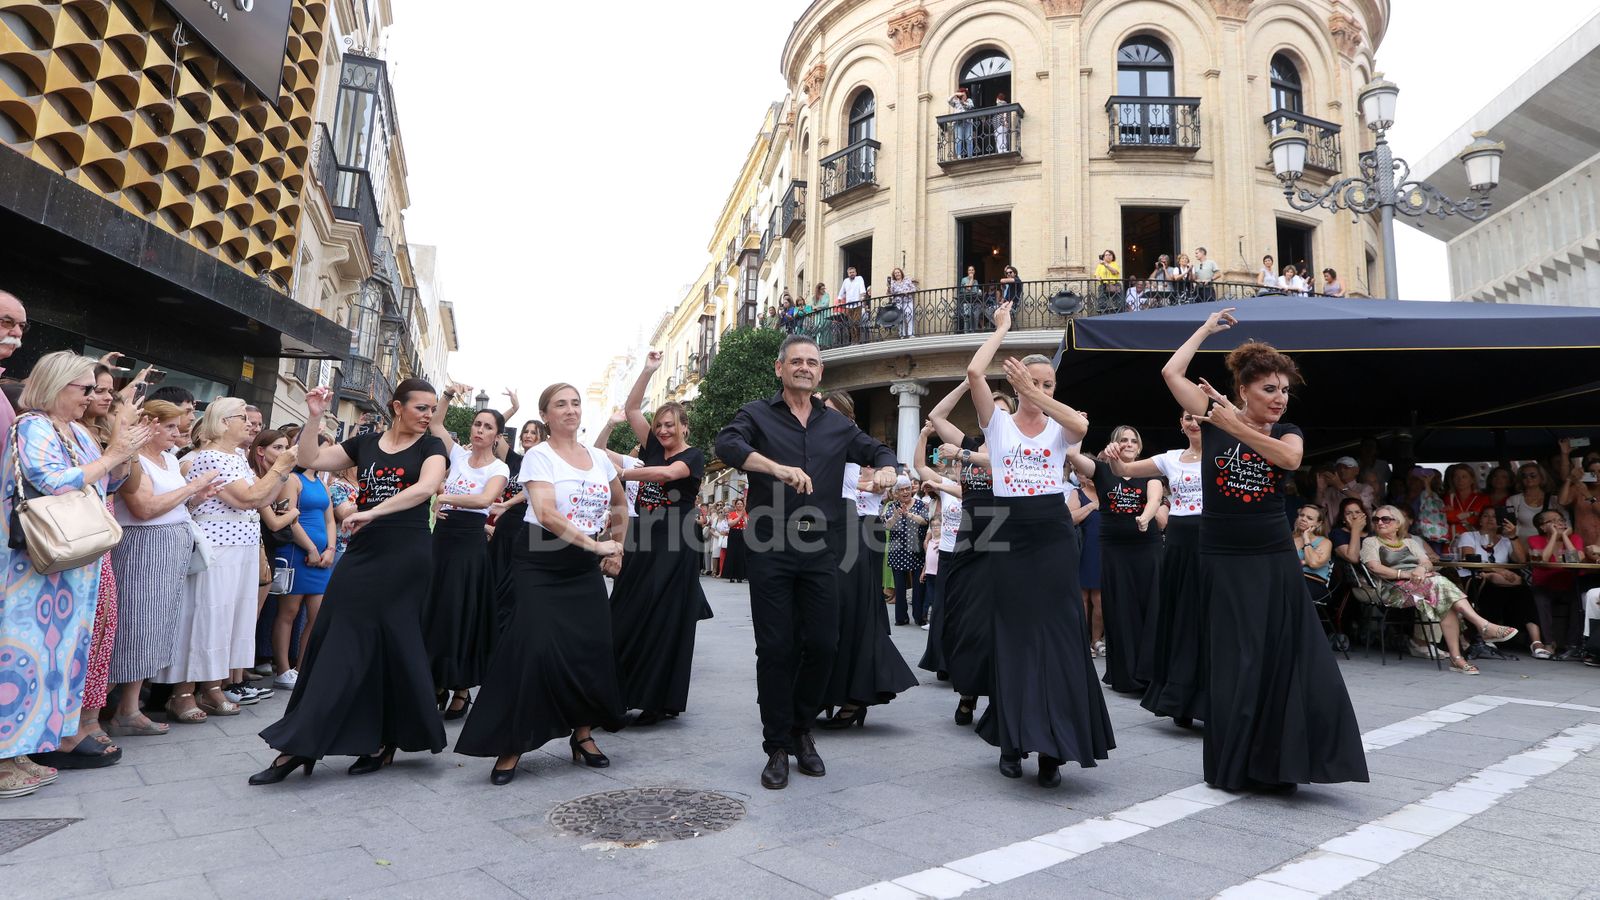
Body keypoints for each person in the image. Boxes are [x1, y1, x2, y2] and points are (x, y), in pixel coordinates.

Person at [1162, 307, 1367, 791]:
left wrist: (1233, 425)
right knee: (1236, 659)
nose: (1280, 398)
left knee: (1282, 657)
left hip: (1271, 557)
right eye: (1269, 389)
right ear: (1244, 390)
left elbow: (1289, 460)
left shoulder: (1284, 431)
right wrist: (1206, 329)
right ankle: (1238, 763)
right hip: (1221, 557)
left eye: (1284, 390)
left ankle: (1283, 761)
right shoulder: (1213, 417)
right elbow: (1171, 372)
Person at [714, 333, 899, 790]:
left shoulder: (835, 425)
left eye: (812, 362)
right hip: (770, 547)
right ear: (780, 369)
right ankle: (778, 744)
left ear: (820, 372)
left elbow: (873, 450)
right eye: (795, 361)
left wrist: (889, 466)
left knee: (823, 644)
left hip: (821, 549)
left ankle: (800, 728)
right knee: (776, 648)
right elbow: (728, 445)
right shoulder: (757, 414)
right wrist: (775, 467)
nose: (804, 367)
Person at [250, 382, 449, 785]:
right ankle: (302, 743)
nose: (428, 415)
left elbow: (426, 488)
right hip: (364, 552)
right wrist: (313, 417)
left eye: (432, 409)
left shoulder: (431, 448)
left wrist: (374, 512)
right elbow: (311, 458)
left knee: (390, 640)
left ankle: (380, 739)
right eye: (420, 407)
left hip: (405, 552)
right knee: (337, 635)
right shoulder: (367, 443)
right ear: (397, 406)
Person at [968, 303, 1112, 787]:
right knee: (1013, 634)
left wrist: (1038, 394)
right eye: (1034, 383)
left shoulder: (1060, 425)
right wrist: (1003, 329)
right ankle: (1012, 738)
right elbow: (972, 370)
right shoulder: (998, 423)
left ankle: (1055, 741)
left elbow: (1083, 429)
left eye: (1050, 384)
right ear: (1014, 385)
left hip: (1052, 528)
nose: (1043, 390)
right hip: (1009, 529)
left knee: (1056, 632)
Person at [456, 383, 628, 785]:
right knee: (530, 647)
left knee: (591, 646)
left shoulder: (599, 458)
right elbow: (547, 514)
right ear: (546, 415)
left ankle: (582, 734)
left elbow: (620, 503)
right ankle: (512, 742)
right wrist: (597, 546)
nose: (570, 410)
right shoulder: (538, 455)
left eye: (575, 403)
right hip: (542, 558)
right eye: (560, 405)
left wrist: (616, 546)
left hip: (584, 563)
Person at [1, 354, 149, 796]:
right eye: (85, 388)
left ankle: (25, 749)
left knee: (58, 660)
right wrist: (114, 455)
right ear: (56, 385)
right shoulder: (32, 426)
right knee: (22, 657)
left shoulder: (78, 431)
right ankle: (5, 756)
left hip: (72, 568)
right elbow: (52, 480)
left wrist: (122, 455)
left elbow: (99, 485)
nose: (93, 396)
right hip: (35, 568)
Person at [158, 402, 295, 725]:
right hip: (217, 548)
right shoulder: (209, 456)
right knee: (206, 615)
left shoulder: (235, 457)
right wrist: (279, 469)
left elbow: (264, 498)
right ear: (222, 422)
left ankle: (213, 685)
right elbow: (246, 498)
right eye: (243, 419)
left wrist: (282, 469)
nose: (250, 425)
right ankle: (182, 693)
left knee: (229, 619)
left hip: (242, 546)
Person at [607, 351, 710, 726]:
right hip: (643, 536)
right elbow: (633, 407)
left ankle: (656, 698)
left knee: (665, 619)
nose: (664, 431)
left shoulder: (694, 456)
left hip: (677, 540)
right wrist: (648, 370)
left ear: (684, 426)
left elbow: (669, 476)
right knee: (625, 610)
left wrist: (623, 473)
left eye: (671, 425)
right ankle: (615, 691)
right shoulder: (651, 446)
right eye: (660, 425)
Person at [108, 401, 219, 738]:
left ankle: (129, 708)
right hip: (143, 548)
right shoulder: (134, 459)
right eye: (171, 427)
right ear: (150, 425)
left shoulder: (169, 459)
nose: (179, 433)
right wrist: (192, 488)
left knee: (157, 627)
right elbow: (143, 509)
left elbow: (172, 503)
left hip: (170, 548)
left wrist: (194, 498)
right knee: (133, 625)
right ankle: (91, 713)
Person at [816, 391, 917, 729]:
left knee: (851, 612)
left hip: (857, 532)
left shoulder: (856, 447)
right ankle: (827, 693)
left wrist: (880, 478)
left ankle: (851, 698)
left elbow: (891, 473)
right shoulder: (817, 445)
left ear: (847, 419)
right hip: (823, 531)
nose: (822, 417)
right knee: (826, 613)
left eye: (829, 412)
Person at [1105, 411, 1206, 726]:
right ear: (1180, 424)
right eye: (1187, 417)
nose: (1193, 422)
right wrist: (1112, 457)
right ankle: (1179, 699)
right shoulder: (1171, 458)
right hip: (1178, 543)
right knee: (1179, 620)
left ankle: (1208, 699)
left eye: (1199, 417)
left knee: (1207, 620)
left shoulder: (1223, 454)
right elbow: (1123, 469)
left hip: (1212, 542)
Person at [423, 388, 509, 720]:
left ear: (497, 435)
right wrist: (445, 395)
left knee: (461, 613)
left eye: (488, 427)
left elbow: (486, 500)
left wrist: (445, 499)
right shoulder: (457, 455)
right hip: (441, 541)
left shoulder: (499, 467)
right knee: (436, 611)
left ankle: (461, 687)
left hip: (468, 545)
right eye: (477, 424)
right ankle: (437, 681)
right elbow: (437, 423)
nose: (479, 430)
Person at [927, 381, 1007, 727]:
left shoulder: (1013, 449)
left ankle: (998, 693)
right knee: (965, 617)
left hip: (1002, 536)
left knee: (995, 621)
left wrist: (961, 456)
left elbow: (993, 463)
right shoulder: (971, 442)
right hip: (967, 538)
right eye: (989, 407)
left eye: (1002, 410)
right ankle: (967, 692)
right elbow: (936, 415)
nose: (994, 414)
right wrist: (967, 383)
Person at [1362, 504, 1517, 674]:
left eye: (1385, 519)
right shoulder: (1371, 542)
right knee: (1439, 582)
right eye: (1376, 519)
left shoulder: (1409, 542)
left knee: (1446, 602)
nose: (1380, 522)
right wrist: (1407, 574)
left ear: (1398, 523)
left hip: (1420, 584)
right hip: (1392, 591)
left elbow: (1426, 562)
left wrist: (1421, 569)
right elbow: (1375, 568)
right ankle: (1483, 627)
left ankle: (1458, 658)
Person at [1069, 427, 1163, 695]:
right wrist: (1076, 429)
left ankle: (1149, 673)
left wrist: (1145, 517)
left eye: (1134, 440)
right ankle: (1126, 675)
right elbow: (1073, 455)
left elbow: (1155, 498)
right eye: (1124, 440)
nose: (1129, 444)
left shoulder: (1149, 471)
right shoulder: (1101, 469)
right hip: (1114, 550)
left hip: (1147, 548)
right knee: (1120, 609)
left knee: (1150, 608)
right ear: (1113, 444)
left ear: (1140, 446)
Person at [1456, 507, 1545, 658]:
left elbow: (1521, 561)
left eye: (1494, 516)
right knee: (1491, 588)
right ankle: (1486, 634)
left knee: (1524, 592)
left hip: (1502, 581)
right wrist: (1500, 571)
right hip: (1474, 577)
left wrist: (1513, 537)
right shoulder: (1469, 535)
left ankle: (1536, 642)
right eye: (1485, 515)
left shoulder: (1505, 540)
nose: (1490, 519)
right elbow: (1469, 559)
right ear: (1480, 520)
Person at [1525, 509, 1587, 660]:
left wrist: (1565, 537)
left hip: (1569, 584)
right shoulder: (1534, 539)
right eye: (1552, 521)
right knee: (1540, 599)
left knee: (1578, 600)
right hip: (1545, 585)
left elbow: (1575, 560)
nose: (1558, 523)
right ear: (1542, 527)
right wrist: (1553, 536)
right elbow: (1544, 559)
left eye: (1560, 520)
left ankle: (1572, 645)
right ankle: (1548, 643)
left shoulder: (1575, 538)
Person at [885, 477, 930, 626]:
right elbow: (888, 526)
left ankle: (918, 616)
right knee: (900, 586)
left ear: (911, 489)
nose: (905, 492)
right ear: (896, 493)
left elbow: (924, 521)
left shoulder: (921, 505)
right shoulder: (892, 506)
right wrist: (896, 516)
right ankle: (901, 617)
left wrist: (909, 514)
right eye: (901, 490)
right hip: (898, 551)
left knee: (918, 586)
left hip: (917, 551)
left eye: (907, 488)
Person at [1071, 476, 1105, 659]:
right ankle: (1082, 640)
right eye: (1087, 473)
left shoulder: (1108, 490)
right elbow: (1070, 517)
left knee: (1100, 599)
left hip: (1105, 549)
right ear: (1079, 476)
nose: (1092, 477)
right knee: (1082, 598)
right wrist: (1091, 506)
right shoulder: (1076, 493)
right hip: (1084, 549)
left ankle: (1097, 639)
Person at [723, 497, 749, 582]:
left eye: (741, 504)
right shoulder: (732, 514)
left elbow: (748, 525)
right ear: (735, 505)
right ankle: (731, 575)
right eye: (738, 504)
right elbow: (730, 524)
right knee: (732, 553)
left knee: (741, 554)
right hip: (733, 534)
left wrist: (744, 516)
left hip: (742, 534)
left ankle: (740, 576)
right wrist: (739, 517)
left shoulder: (745, 514)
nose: (739, 505)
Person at [887, 267, 918, 338]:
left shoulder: (907, 280)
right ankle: (902, 334)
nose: (897, 274)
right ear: (894, 275)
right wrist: (888, 287)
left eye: (898, 272)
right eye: (895, 273)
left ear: (901, 273)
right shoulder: (893, 283)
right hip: (898, 303)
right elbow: (889, 294)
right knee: (900, 318)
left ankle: (910, 333)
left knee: (909, 316)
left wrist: (908, 292)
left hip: (908, 301)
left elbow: (914, 289)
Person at [947, 87, 974, 158]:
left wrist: (963, 102)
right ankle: (959, 155)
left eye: (964, 94)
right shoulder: (956, 102)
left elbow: (971, 106)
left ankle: (970, 155)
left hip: (967, 122)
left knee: (969, 139)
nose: (963, 96)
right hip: (958, 122)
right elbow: (948, 100)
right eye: (962, 95)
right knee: (958, 139)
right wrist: (955, 94)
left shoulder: (969, 100)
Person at [958, 264, 982, 333]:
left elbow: (976, 291)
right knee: (967, 316)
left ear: (974, 271)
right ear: (967, 272)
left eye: (972, 270)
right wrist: (971, 279)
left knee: (976, 315)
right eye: (969, 270)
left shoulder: (976, 281)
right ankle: (966, 332)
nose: (971, 271)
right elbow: (968, 288)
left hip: (974, 300)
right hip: (966, 300)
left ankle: (974, 330)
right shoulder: (964, 279)